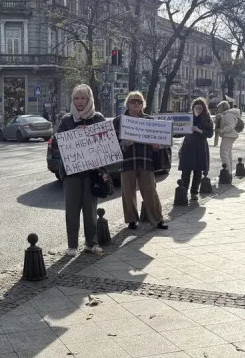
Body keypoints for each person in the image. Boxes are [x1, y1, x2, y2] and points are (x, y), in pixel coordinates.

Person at [55, 84, 105, 256]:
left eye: (83, 98)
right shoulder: (66, 120)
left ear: (89, 99)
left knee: (90, 209)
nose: (79, 101)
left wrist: (90, 134)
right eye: (76, 98)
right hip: (71, 173)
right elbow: (57, 142)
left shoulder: (98, 118)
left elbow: (106, 142)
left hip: (92, 172)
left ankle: (91, 243)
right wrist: (74, 134)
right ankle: (72, 245)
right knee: (72, 209)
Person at [113, 92, 168, 231]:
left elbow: (159, 142)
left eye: (139, 101)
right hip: (127, 161)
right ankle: (131, 220)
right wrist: (124, 143)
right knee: (128, 192)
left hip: (145, 160)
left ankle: (157, 219)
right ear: (127, 103)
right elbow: (113, 143)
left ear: (143, 104)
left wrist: (156, 145)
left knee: (150, 191)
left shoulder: (149, 120)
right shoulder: (119, 121)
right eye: (133, 101)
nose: (136, 103)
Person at [177, 97, 214, 200]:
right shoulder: (188, 118)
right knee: (186, 171)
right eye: (196, 108)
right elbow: (180, 131)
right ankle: (183, 191)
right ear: (192, 108)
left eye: (200, 108)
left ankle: (194, 192)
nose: (198, 110)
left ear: (204, 109)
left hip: (200, 148)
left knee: (197, 172)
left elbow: (210, 133)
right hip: (188, 147)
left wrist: (199, 130)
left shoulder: (206, 119)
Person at [215, 100, 241, 173]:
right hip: (229, 135)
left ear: (223, 107)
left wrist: (221, 131)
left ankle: (226, 172)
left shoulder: (228, 115)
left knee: (223, 154)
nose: (218, 109)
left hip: (228, 136)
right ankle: (229, 172)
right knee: (228, 154)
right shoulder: (226, 114)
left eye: (219, 107)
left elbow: (230, 126)